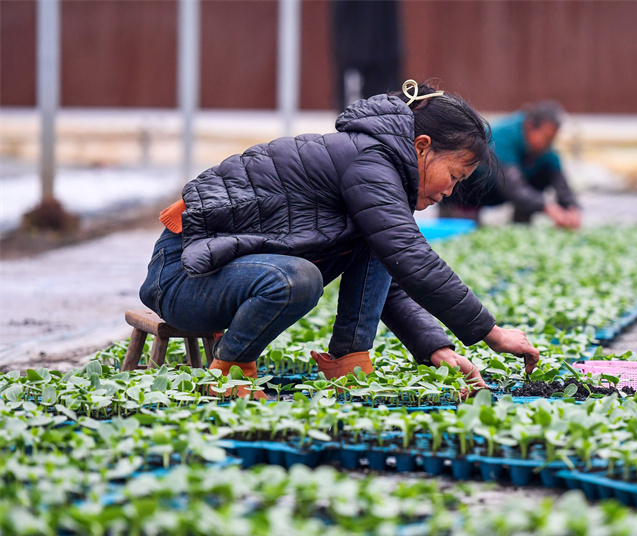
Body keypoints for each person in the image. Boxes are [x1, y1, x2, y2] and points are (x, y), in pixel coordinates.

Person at [139, 80, 540, 399]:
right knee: (298, 279)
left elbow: (392, 274)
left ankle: (349, 360)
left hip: (229, 277)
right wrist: (492, 333)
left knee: (375, 248)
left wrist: (434, 346)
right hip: (182, 279)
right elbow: (412, 257)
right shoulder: (368, 161)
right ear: (422, 147)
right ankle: (229, 370)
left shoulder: (376, 167)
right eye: (453, 176)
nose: (449, 192)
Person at [440, 101, 581, 229]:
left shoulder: (544, 150)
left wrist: (571, 207)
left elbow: (558, 178)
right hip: (466, 192)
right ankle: (459, 222)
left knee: (545, 171)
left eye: (552, 139)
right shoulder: (504, 136)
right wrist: (547, 206)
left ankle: (522, 224)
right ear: (530, 126)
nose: (548, 144)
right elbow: (512, 187)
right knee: (461, 230)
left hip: (495, 190)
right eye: (546, 138)